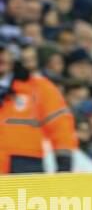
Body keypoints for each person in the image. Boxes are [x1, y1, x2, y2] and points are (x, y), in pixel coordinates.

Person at [0, 40, 78, 174]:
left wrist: (64, 162)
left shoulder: (38, 87)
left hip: (24, 163)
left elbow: (60, 124)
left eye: (3, 53)